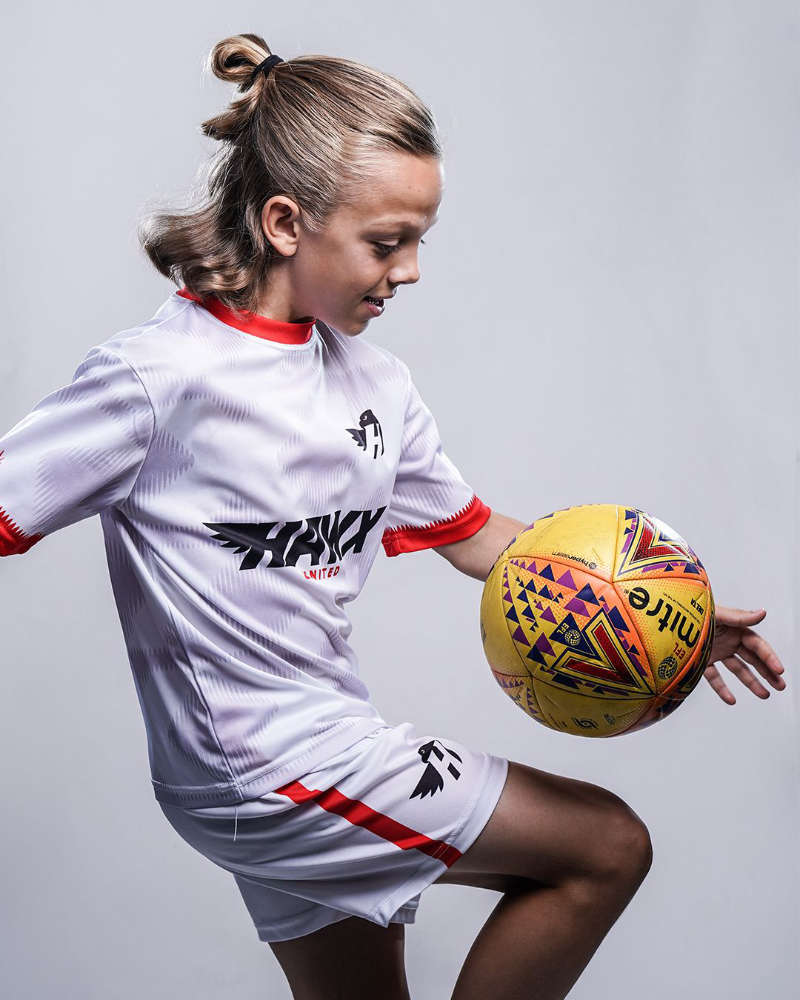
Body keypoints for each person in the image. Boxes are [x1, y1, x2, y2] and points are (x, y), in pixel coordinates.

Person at [0, 33, 786, 1000]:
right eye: (386, 241)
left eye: (420, 239)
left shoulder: (375, 384)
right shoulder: (158, 380)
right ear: (286, 222)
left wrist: (668, 620)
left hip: (316, 744)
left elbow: (486, 541)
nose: (409, 269)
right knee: (607, 847)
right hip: (266, 768)